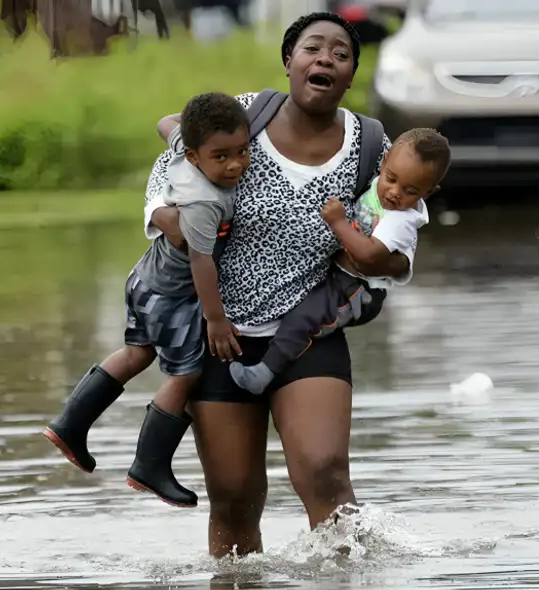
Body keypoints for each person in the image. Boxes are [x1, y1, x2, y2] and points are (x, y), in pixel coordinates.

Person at [144, 12, 422, 557]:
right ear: (288, 61)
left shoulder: (370, 142)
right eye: (312, 48)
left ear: (349, 77)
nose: (325, 59)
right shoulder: (245, 113)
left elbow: (405, 206)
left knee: (324, 475)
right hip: (220, 334)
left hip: (311, 332)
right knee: (233, 496)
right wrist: (165, 216)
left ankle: (351, 573)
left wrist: (389, 256)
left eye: (340, 55)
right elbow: (171, 163)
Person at [43, 92, 250, 509]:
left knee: (137, 353)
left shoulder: (183, 147)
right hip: (173, 296)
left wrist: (186, 128)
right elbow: (201, 263)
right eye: (221, 156)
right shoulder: (205, 202)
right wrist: (215, 320)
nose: (234, 165)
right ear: (194, 158)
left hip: (143, 281)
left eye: (243, 152)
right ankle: (150, 465)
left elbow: (164, 122)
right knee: (185, 374)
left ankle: (69, 424)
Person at [229, 128, 449, 394]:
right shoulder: (376, 184)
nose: (394, 192)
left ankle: (263, 374)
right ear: (385, 160)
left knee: (304, 318)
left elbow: (368, 256)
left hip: (357, 289)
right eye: (391, 179)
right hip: (340, 275)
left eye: (410, 191)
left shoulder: (400, 220)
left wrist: (338, 223)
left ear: (428, 192)